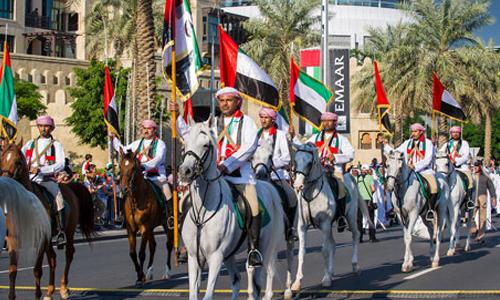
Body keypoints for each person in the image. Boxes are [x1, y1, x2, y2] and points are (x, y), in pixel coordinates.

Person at [171, 87, 263, 267]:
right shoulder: (212, 124)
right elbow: (191, 135)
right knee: (186, 201)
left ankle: (253, 248)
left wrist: (226, 166)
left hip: (240, 177)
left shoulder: (247, 122)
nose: (225, 104)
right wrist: (176, 118)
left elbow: (249, 147)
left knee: (253, 205)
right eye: (221, 100)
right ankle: (187, 244)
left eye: (229, 100)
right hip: (213, 177)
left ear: (238, 102)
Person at [291, 112, 354, 231]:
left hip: (334, 171)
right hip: (317, 172)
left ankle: (340, 216)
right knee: (301, 188)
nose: (326, 123)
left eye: (329, 121)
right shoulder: (315, 137)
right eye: (324, 121)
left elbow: (351, 154)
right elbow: (303, 147)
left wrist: (335, 157)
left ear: (335, 123)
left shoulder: (341, 139)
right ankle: (299, 218)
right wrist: (293, 136)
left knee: (340, 188)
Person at [110, 119, 173, 225]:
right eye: (144, 128)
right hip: (141, 177)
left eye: (149, 128)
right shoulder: (137, 143)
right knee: (125, 189)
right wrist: (114, 139)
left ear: (154, 130)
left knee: (167, 191)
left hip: (156, 176)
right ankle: (123, 215)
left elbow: (158, 159)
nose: (146, 131)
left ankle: (170, 216)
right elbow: (123, 149)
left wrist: (144, 166)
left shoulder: (160, 144)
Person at [21, 115, 67, 248]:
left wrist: (42, 170)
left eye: (46, 126)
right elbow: (20, 158)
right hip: (29, 180)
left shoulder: (56, 145)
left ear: (51, 128)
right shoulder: (29, 144)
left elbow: (60, 164)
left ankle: (61, 231)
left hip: (46, 180)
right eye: (41, 126)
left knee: (59, 198)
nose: (43, 129)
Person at [382, 123, 438, 220]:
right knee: (394, 182)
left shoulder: (428, 143)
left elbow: (428, 159)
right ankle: (395, 208)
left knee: (433, 187)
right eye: (412, 131)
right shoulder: (407, 142)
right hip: (408, 172)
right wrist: (385, 145)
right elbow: (396, 152)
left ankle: (430, 209)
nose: (414, 133)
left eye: (416, 131)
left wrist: (415, 166)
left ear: (421, 132)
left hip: (424, 171)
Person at [256, 107, 297, 240]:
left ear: (273, 119)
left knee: (290, 196)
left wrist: (271, 164)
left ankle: (290, 228)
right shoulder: (255, 135)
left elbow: (286, 158)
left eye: (266, 117)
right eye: (261, 117)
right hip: (256, 176)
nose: (263, 120)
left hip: (275, 175)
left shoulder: (280, 135)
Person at [439, 126, 473, 204]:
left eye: (457, 132)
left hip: (461, 168)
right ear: (451, 133)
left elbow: (466, 156)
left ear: (460, 133)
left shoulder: (464, 143)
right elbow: (440, 153)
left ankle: (469, 200)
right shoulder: (447, 144)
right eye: (453, 132)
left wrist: (456, 161)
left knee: (470, 180)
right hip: (448, 168)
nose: (455, 134)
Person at [470, 160, 497, 243]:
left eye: (477, 166)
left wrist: (493, 197)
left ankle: (481, 235)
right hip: (473, 197)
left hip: (482, 197)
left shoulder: (485, 176)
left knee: (482, 217)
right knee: (471, 215)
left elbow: (491, 187)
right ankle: (474, 229)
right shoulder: (471, 176)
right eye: (474, 166)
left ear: (480, 167)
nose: (475, 168)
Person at [356, 165, 377, 242]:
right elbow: (373, 189)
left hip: (359, 200)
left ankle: (359, 238)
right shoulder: (370, 177)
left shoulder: (357, 178)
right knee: (370, 219)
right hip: (368, 200)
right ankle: (372, 237)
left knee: (359, 220)